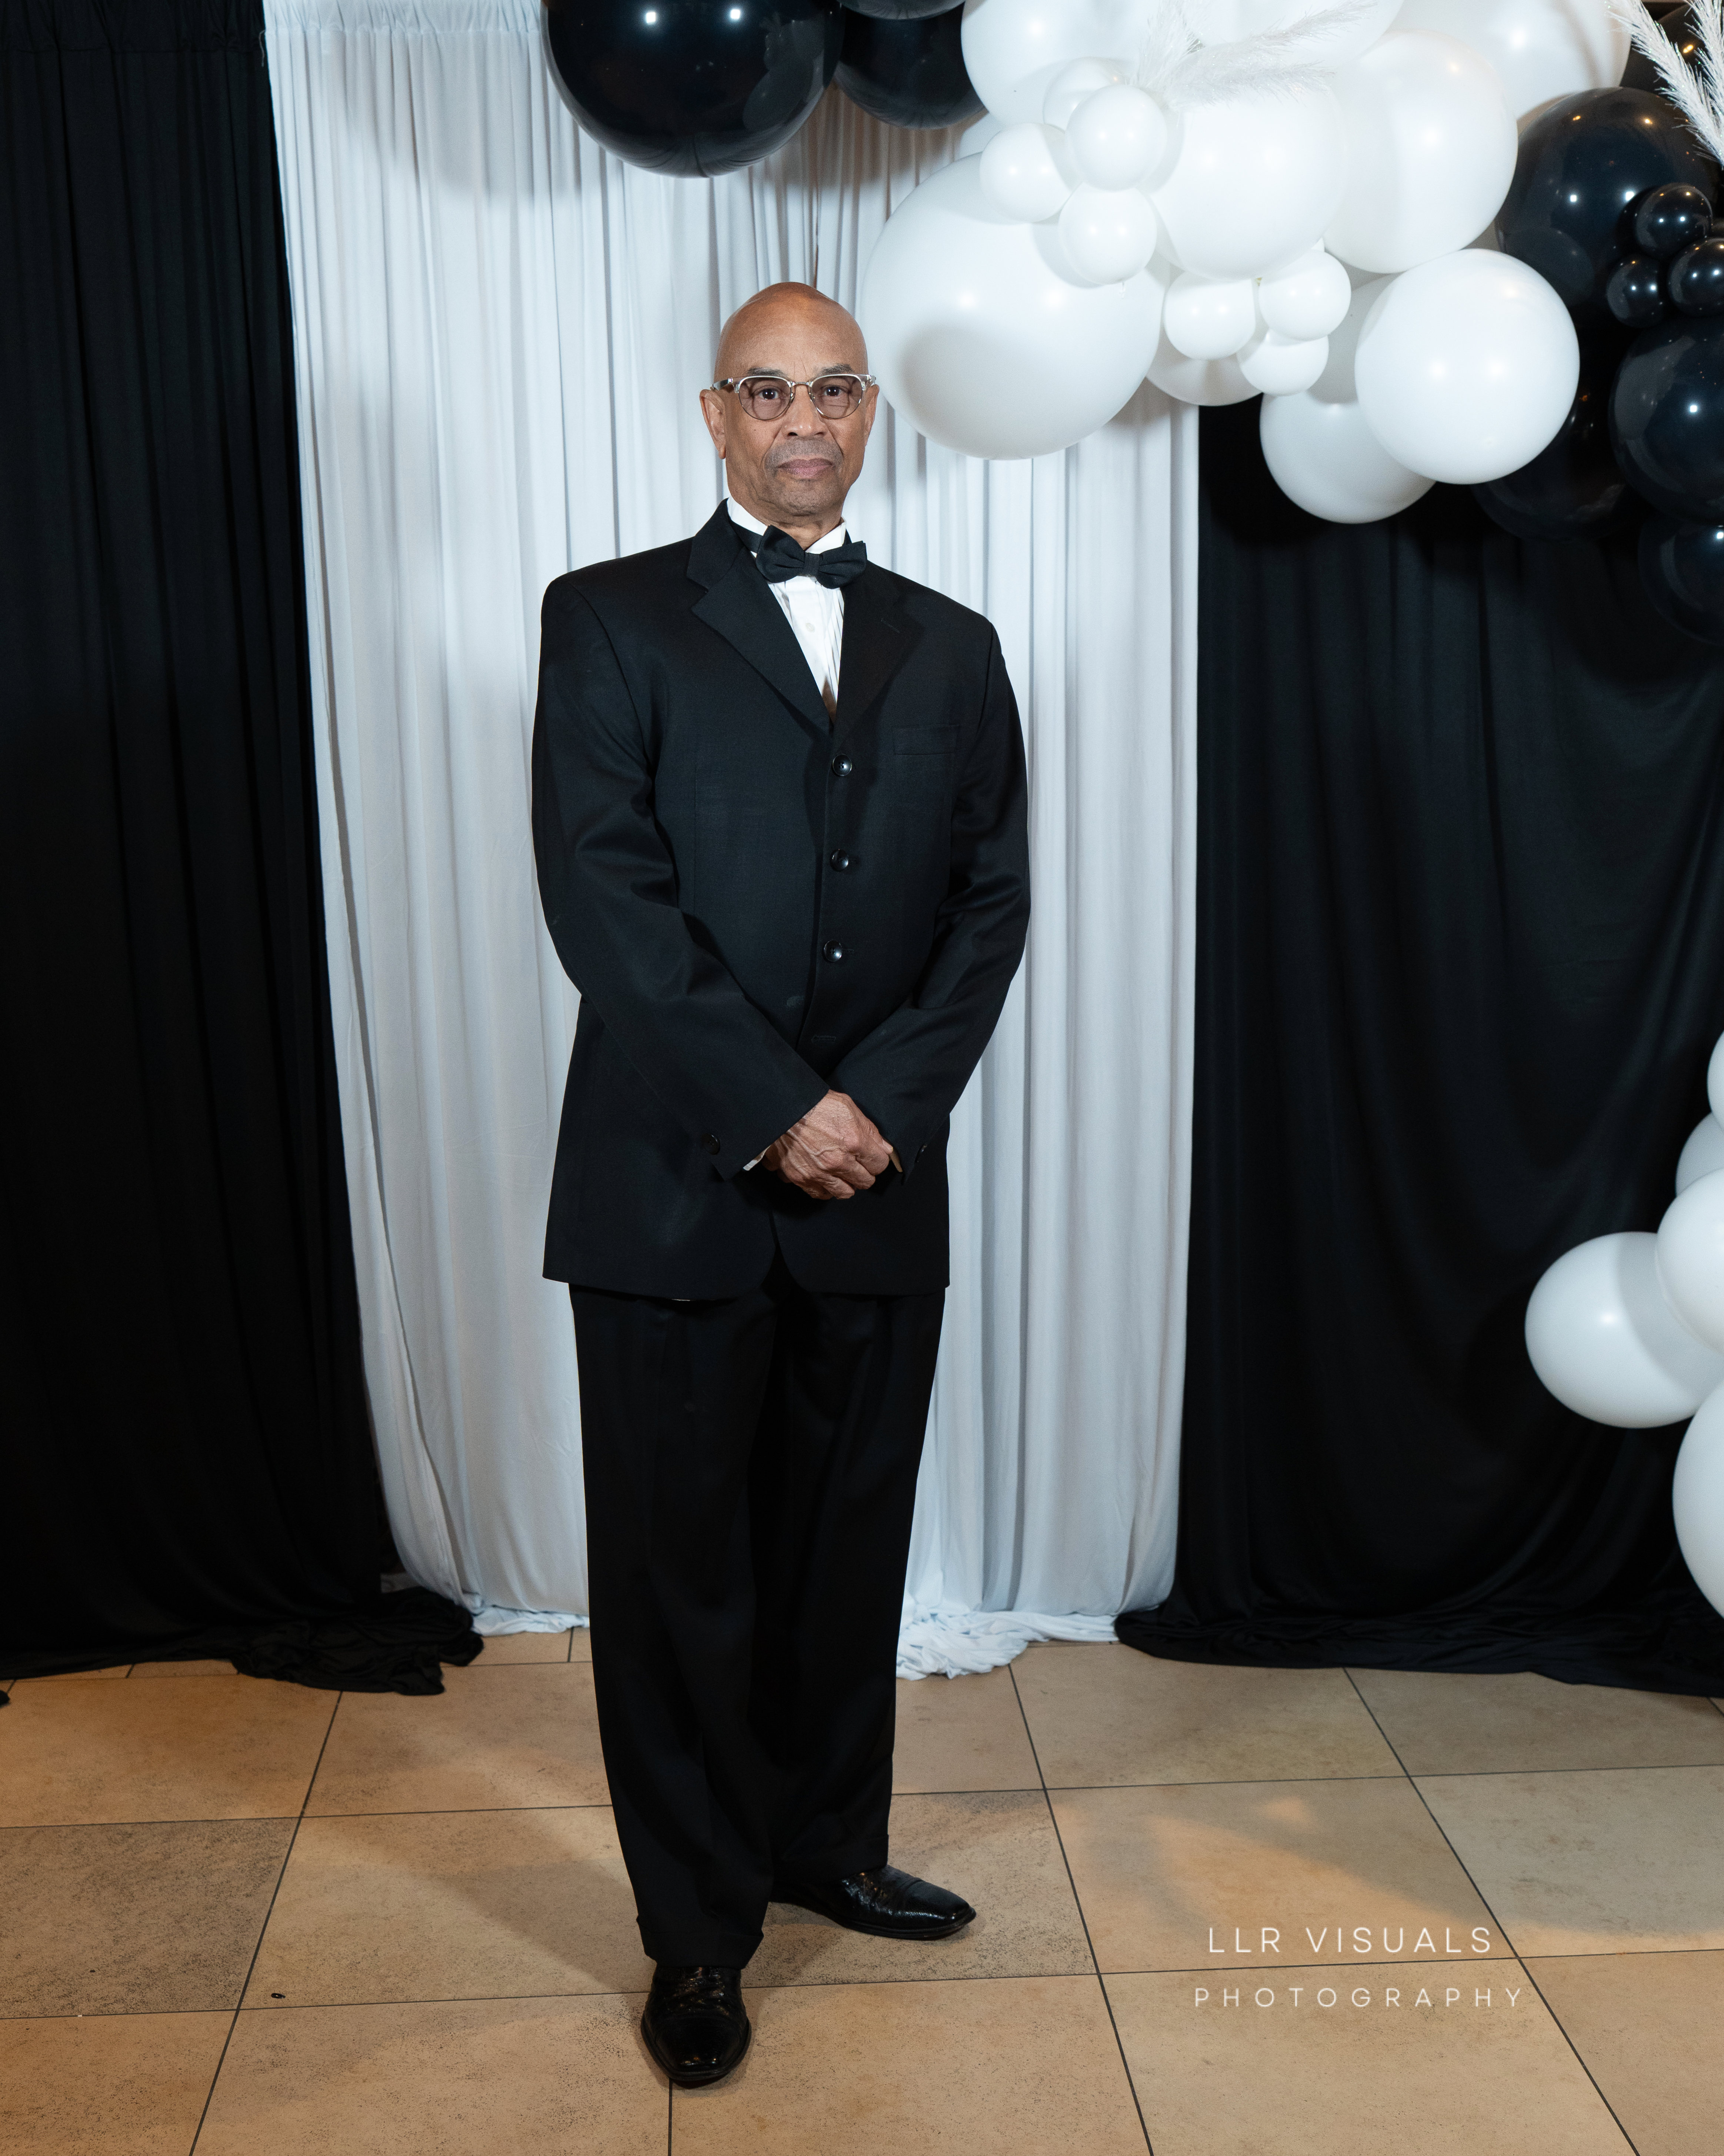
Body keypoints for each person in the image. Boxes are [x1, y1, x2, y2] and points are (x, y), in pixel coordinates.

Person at [530, 282, 1030, 2088]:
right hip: (672, 1186)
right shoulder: (606, 619)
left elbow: (990, 904)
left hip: (879, 1181)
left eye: (833, 391)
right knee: (680, 1578)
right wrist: (774, 1110)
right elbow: (606, 901)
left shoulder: (955, 646)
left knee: (842, 1552)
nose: (802, 421)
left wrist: (873, 1108)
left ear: (872, 412)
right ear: (715, 416)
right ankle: (696, 1932)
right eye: (766, 391)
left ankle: (827, 1846)